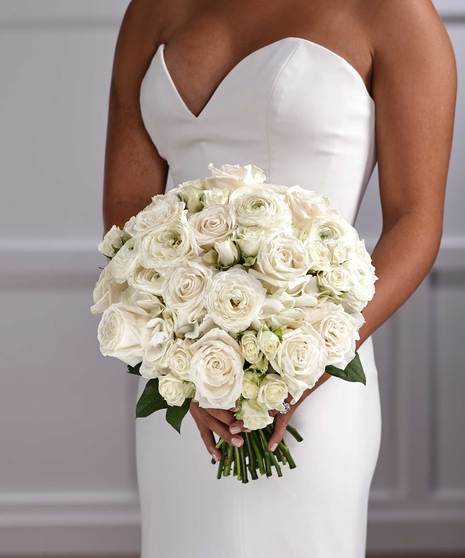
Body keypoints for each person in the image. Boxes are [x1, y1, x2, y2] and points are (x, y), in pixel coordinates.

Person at [101, 1, 456, 556]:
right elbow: (126, 217)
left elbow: (416, 222)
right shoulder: (153, 8)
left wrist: (313, 353)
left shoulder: (394, 12)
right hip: (187, 386)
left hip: (313, 374)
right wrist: (179, 359)